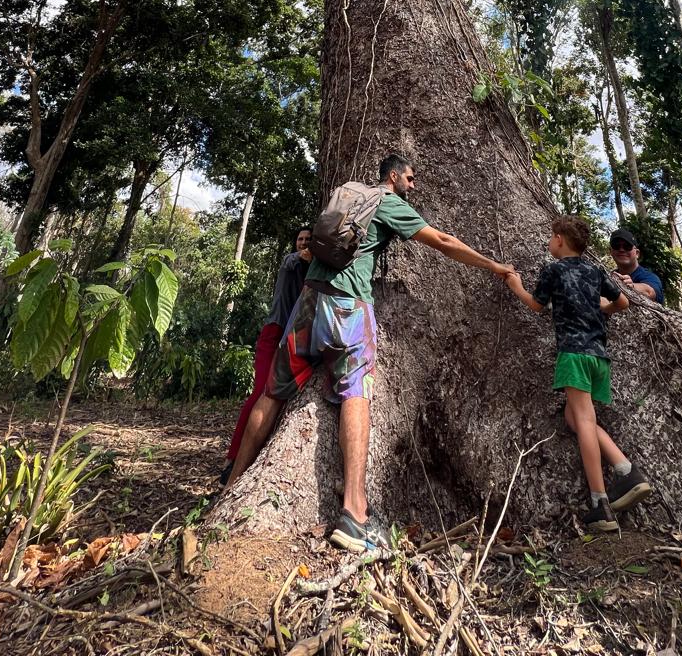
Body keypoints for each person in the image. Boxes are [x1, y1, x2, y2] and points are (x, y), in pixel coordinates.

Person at [225, 153, 516, 552]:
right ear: (393, 177)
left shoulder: (345, 191)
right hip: (349, 308)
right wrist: (493, 266)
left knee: (272, 394)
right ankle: (354, 513)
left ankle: (232, 485)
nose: (413, 187)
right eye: (410, 179)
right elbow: (443, 242)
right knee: (356, 394)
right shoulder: (388, 202)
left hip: (308, 303)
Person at [506, 214, 652, 532]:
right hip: (598, 356)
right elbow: (623, 302)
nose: (549, 241)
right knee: (577, 419)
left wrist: (516, 286)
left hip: (573, 354)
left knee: (584, 422)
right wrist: (601, 307)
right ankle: (626, 471)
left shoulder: (554, 270)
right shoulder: (595, 270)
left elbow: (536, 305)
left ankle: (600, 503)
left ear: (559, 238)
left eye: (550, 236)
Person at [219, 229, 313, 486]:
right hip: (274, 332)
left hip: (294, 336)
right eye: (300, 239)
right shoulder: (290, 262)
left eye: (308, 239)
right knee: (262, 391)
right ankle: (231, 460)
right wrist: (309, 252)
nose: (303, 243)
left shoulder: (312, 275)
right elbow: (295, 259)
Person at [610, 229, 664, 304]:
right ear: (611, 252)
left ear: (637, 253)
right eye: (616, 246)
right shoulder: (607, 276)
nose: (621, 249)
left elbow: (649, 292)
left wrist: (631, 287)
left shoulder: (650, 277)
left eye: (627, 246)